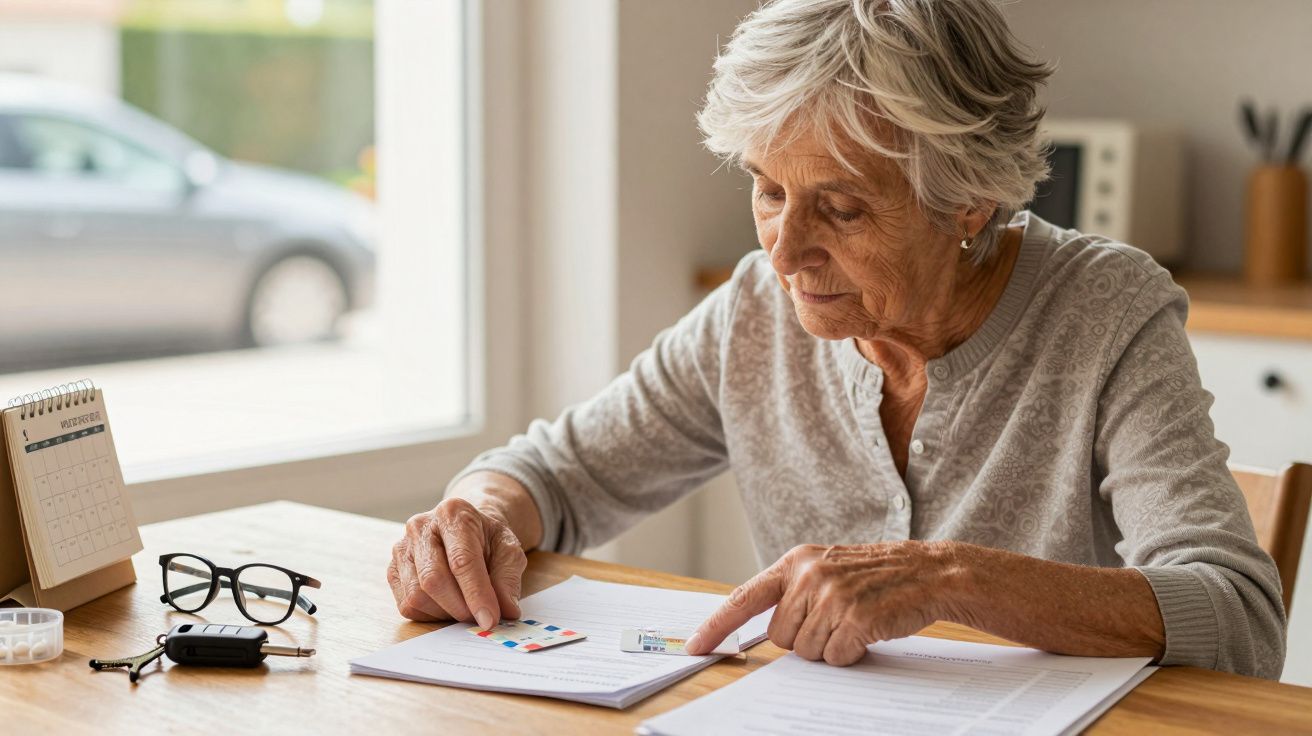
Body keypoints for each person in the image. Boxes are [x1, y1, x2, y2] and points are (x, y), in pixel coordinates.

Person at [386, 0, 1286, 678]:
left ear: (969, 200)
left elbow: (1238, 617)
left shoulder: (1104, 310)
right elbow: (554, 476)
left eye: (842, 207)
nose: (781, 249)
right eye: (767, 189)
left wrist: (948, 578)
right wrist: (471, 520)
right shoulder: (755, 311)